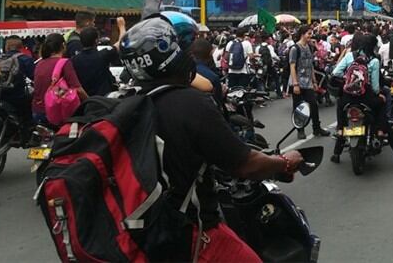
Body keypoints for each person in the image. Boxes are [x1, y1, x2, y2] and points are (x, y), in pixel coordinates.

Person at [118, 17, 304, 262]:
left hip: (136, 231)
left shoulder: (123, 103)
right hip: (190, 230)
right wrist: (285, 162)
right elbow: (245, 163)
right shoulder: (189, 103)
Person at [330, 33, 393, 163]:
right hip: (366, 99)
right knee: (382, 102)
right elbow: (376, 88)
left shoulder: (350, 56)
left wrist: (349, 81)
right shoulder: (374, 60)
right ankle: (384, 135)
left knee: (342, 111)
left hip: (348, 98)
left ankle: (337, 148)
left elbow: (336, 72)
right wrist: (377, 93)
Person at [32, 33, 87, 126]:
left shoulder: (39, 64)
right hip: (55, 113)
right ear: (63, 46)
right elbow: (78, 89)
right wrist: (89, 100)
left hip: (37, 111)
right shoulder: (64, 62)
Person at [289, 25, 330, 139]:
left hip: (308, 83)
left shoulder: (309, 47)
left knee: (313, 105)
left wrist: (314, 81)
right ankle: (300, 129)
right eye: (309, 34)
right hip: (297, 82)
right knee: (298, 108)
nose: (310, 36)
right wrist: (295, 84)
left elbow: (311, 65)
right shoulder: (294, 48)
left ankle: (317, 128)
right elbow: (292, 67)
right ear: (302, 34)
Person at [71, 20, 126, 98]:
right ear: (96, 40)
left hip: (86, 100)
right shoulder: (103, 55)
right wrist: (122, 26)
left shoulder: (74, 60)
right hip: (104, 100)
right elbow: (120, 43)